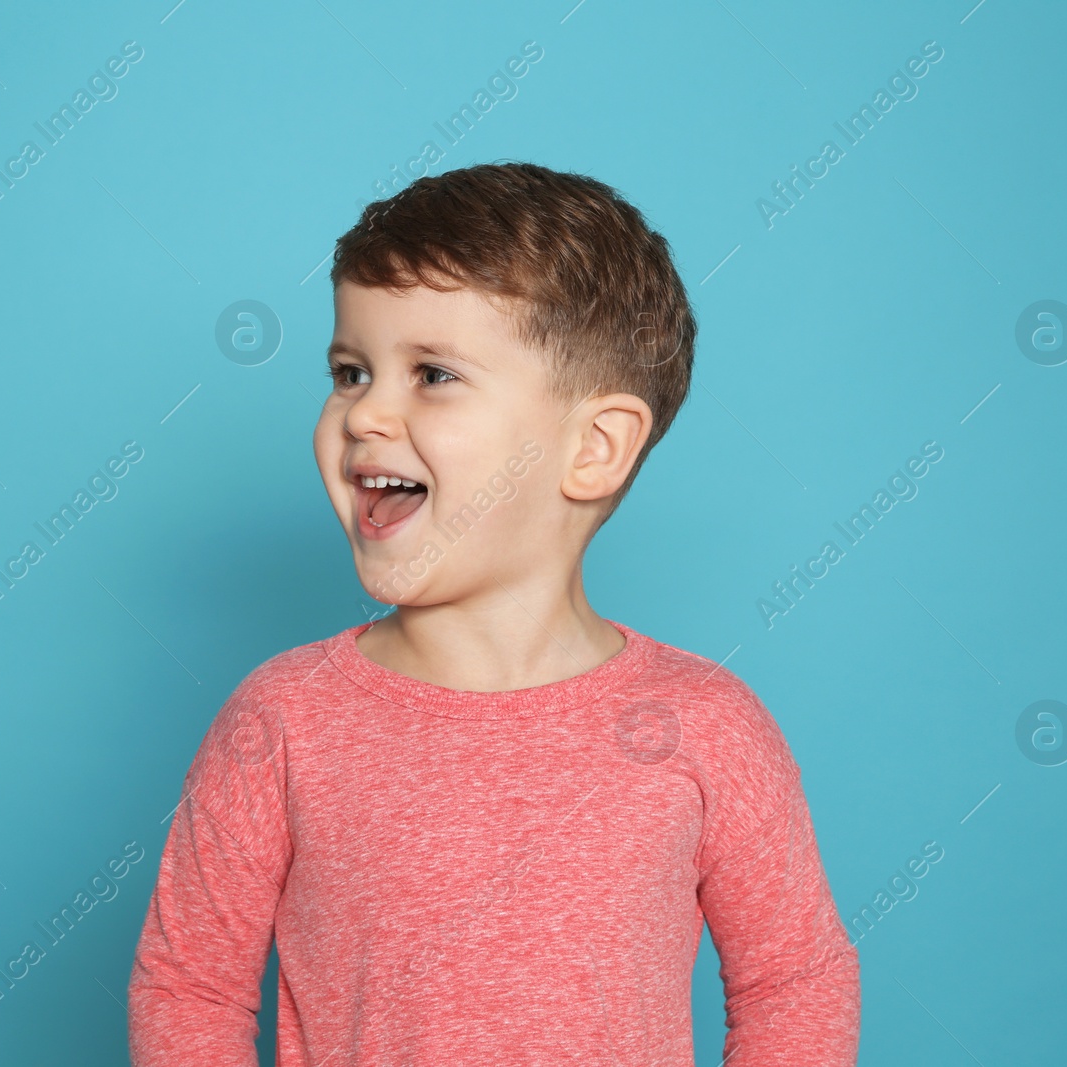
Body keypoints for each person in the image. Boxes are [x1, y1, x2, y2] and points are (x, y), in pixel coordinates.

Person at [128, 161, 859, 1065]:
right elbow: (190, 983)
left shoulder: (708, 727)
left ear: (594, 449)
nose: (364, 415)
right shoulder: (281, 720)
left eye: (431, 373)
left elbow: (795, 981)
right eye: (350, 371)